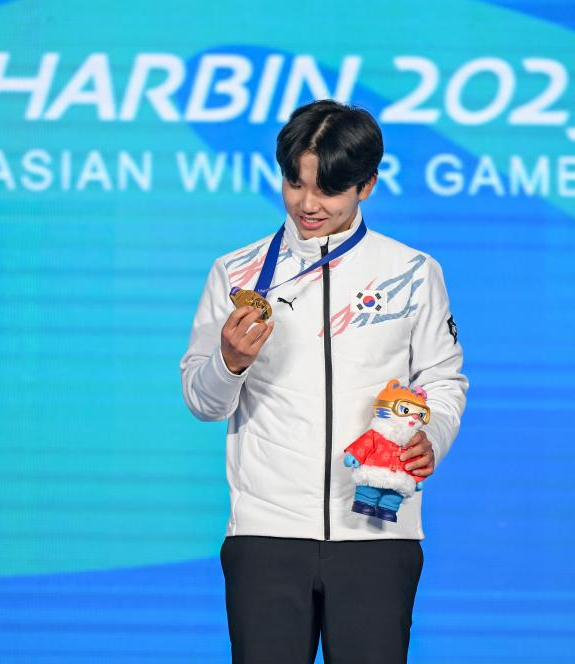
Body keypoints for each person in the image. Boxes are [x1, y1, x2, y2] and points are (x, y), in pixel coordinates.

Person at [179, 99, 468, 663]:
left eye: (328, 189)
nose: (307, 204)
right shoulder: (236, 273)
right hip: (266, 534)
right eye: (295, 183)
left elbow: (442, 377)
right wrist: (228, 362)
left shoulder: (413, 272)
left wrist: (432, 435)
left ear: (367, 185)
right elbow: (202, 401)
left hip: (377, 529)